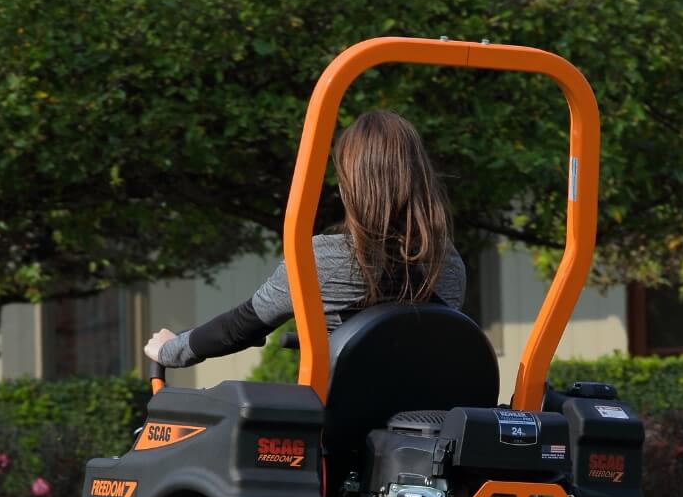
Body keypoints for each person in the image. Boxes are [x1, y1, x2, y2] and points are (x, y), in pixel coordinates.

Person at [144, 109, 466, 368]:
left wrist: (172, 349)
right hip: (431, 427)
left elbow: (242, 325)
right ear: (420, 177)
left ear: (349, 187)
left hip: (344, 432)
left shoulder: (322, 260)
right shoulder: (447, 262)